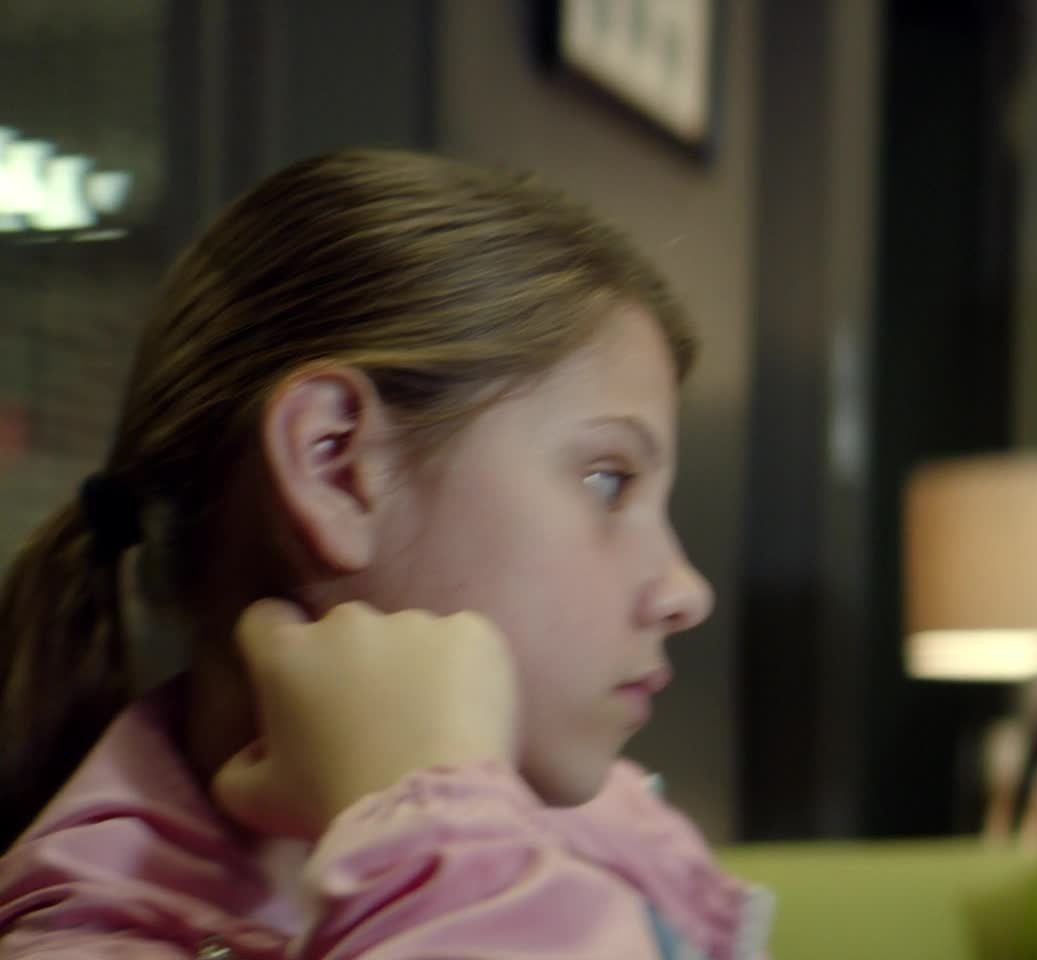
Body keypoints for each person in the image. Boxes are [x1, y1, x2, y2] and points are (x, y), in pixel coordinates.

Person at [0, 150, 773, 959]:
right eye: (608, 481)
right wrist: (432, 837)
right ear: (336, 465)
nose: (685, 591)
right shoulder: (91, 944)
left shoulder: (615, 832)